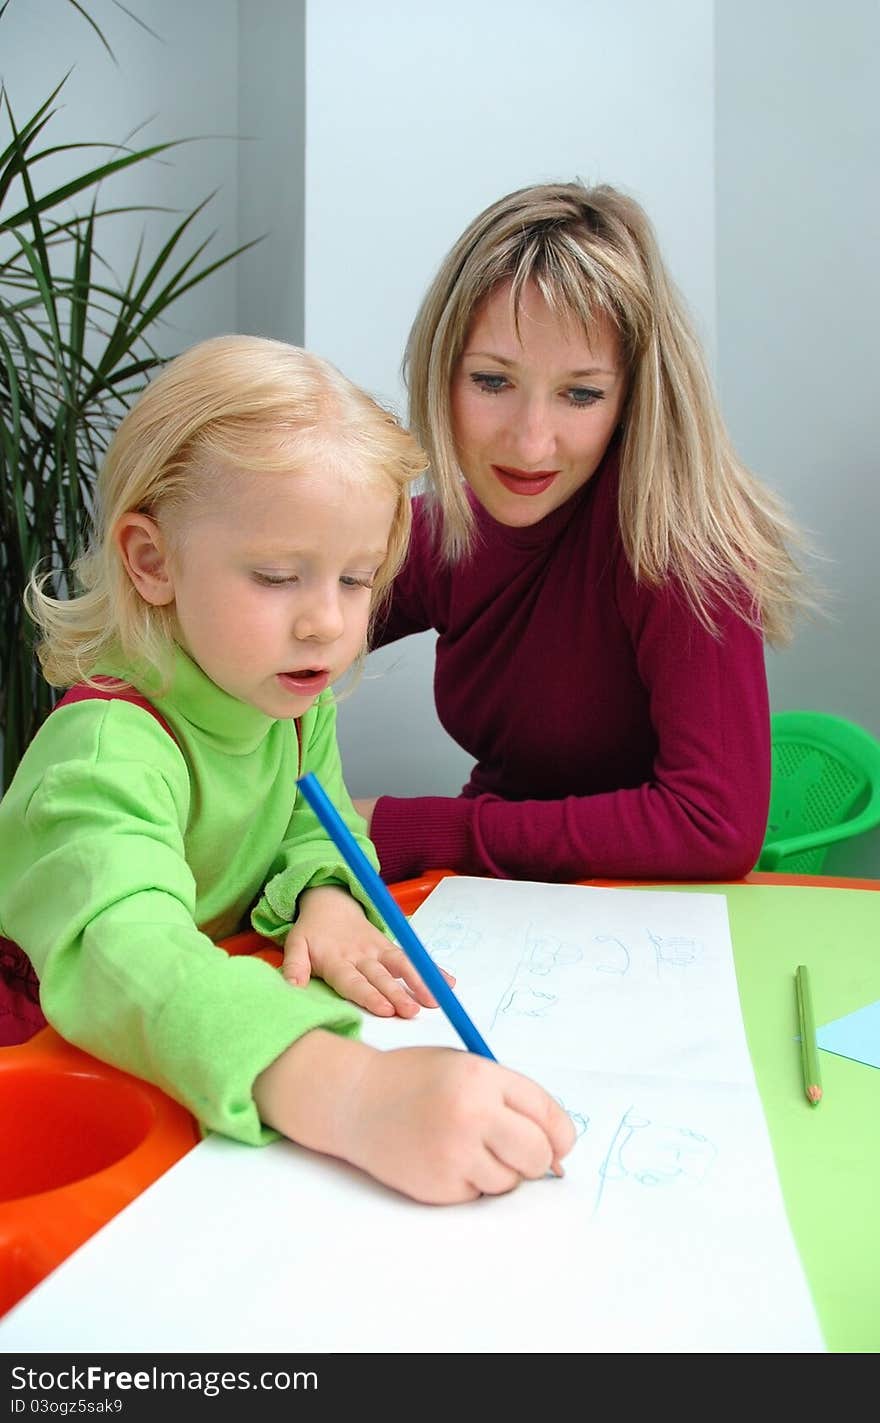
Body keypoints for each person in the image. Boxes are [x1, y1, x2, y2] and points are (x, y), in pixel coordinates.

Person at [0, 335, 574, 1204]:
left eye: (356, 578)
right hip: (55, 1075)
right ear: (151, 561)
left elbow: (318, 820)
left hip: (198, 1058)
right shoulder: (107, 748)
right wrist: (356, 1093)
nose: (326, 625)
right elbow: (132, 955)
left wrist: (326, 894)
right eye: (277, 576)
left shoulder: (286, 702)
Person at [354, 180, 810, 886]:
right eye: (492, 381)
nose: (531, 444)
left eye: (581, 393)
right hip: (499, 905)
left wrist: (409, 827)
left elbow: (713, 827)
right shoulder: (447, 529)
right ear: (442, 371)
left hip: (651, 918)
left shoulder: (684, 551)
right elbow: (268, 634)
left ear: (632, 399)